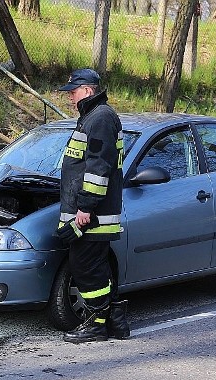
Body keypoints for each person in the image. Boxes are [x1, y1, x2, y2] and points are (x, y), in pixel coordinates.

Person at [56, 68, 129, 343]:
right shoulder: (94, 116)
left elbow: (98, 168)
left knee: (85, 268)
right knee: (94, 267)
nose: (70, 98)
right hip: (91, 212)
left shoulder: (99, 118)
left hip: (92, 214)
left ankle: (96, 324)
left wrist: (85, 208)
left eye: (73, 93)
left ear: (87, 91)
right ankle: (116, 322)